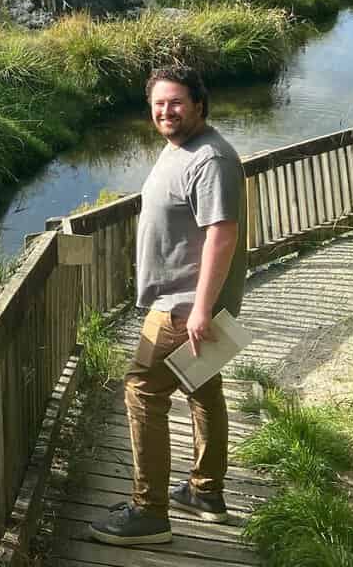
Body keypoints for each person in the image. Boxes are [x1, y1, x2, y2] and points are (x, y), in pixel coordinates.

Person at [90, 64, 247, 546]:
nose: (165, 111)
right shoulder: (182, 148)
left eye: (176, 102)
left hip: (182, 308)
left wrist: (200, 309)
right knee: (202, 389)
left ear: (199, 104)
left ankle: (149, 511)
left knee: (143, 390)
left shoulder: (211, 159)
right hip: (187, 304)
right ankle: (205, 492)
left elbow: (222, 234)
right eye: (159, 103)